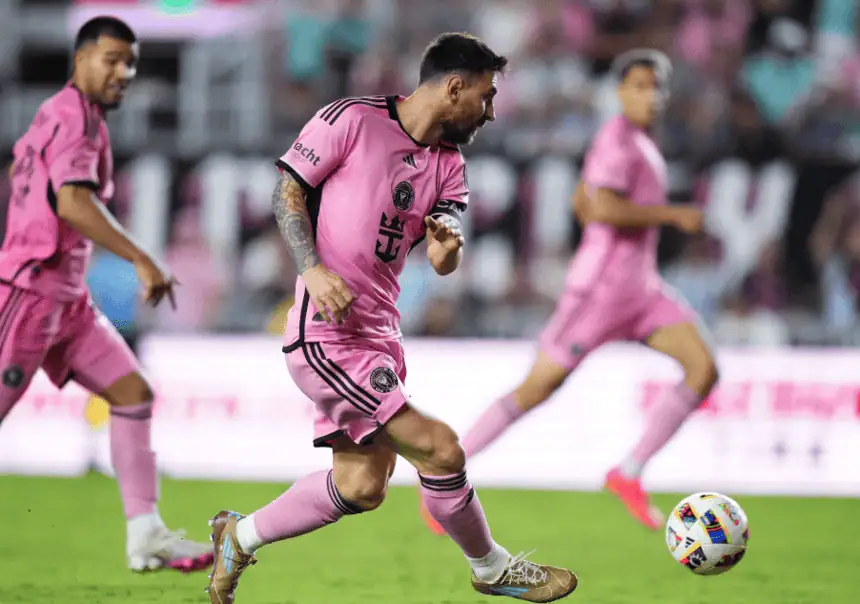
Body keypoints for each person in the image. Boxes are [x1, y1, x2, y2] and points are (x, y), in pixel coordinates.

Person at [206, 33, 578, 604]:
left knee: (360, 487)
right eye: (487, 95)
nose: (492, 110)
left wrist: (446, 247)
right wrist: (310, 269)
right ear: (454, 87)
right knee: (442, 448)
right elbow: (287, 193)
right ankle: (491, 567)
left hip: (381, 336)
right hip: (325, 335)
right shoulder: (350, 120)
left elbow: (443, 259)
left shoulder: (450, 165)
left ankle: (240, 536)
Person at [422, 48, 715, 534]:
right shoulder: (618, 140)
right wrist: (672, 215)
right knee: (537, 389)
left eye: (657, 87)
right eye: (639, 86)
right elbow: (599, 209)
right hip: (600, 292)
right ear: (620, 92)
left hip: (640, 290)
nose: (650, 96)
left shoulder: (639, 143)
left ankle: (629, 472)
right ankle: (443, 474)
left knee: (704, 368)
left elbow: (584, 199)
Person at [0, 17, 213, 572]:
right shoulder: (75, 119)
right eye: (112, 59)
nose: (124, 72)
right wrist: (142, 256)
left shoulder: (63, 114)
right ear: (80, 57)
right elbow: (70, 203)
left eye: (131, 63)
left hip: (65, 300)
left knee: (132, 393)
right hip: (29, 292)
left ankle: (146, 534)